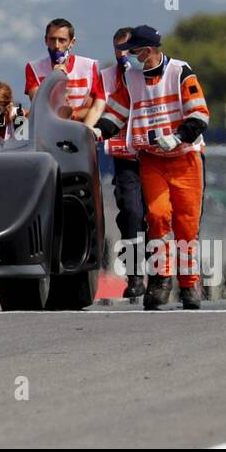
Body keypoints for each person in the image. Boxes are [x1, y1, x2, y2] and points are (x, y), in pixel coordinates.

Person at [97, 25, 210, 311]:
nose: (129, 56)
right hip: (152, 161)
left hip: (185, 160)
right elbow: (116, 113)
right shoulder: (131, 79)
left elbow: (199, 114)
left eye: (133, 51)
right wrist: (98, 132)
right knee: (158, 218)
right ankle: (160, 281)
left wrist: (178, 136)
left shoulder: (180, 72)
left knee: (187, 225)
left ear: (147, 51)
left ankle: (189, 285)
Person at [100, 28, 148, 300]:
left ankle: (160, 276)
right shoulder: (105, 79)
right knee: (131, 213)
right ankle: (134, 275)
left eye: (131, 48)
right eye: (121, 48)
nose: (126, 54)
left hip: (155, 158)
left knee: (157, 216)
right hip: (125, 159)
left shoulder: (152, 76)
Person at [24, 18, 106, 126]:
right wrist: (54, 79)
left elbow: (93, 108)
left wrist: (72, 115)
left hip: (80, 131)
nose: (57, 46)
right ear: (46, 40)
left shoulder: (89, 67)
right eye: (52, 39)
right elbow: (39, 106)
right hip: (48, 133)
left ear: (72, 43)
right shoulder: (34, 68)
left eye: (62, 40)